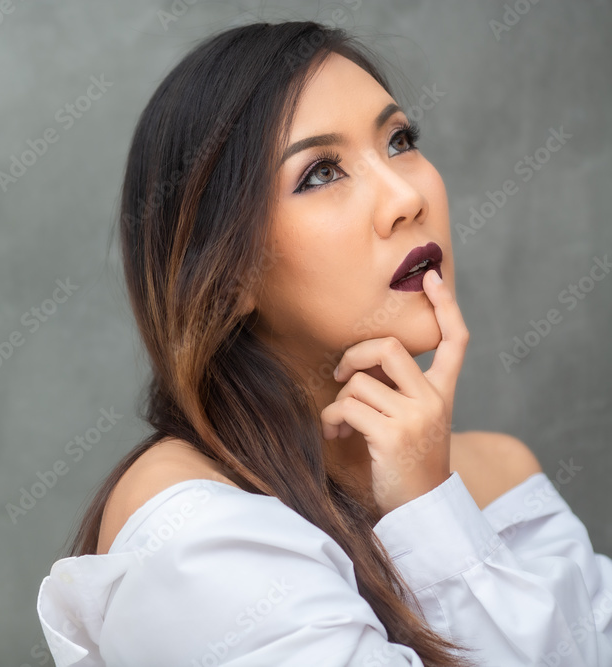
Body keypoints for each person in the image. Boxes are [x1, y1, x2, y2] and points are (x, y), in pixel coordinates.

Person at [35, 20, 612, 666]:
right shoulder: (187, 525)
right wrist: (431, 516)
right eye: (319, 174)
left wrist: (433, 493)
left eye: (399, 140)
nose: (404, 197)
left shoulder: (500, 473)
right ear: (227, 276)